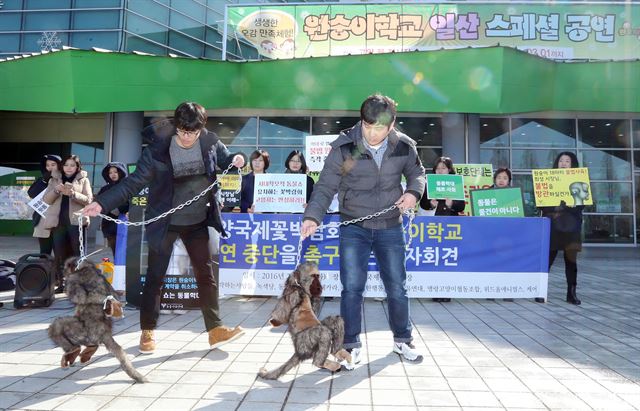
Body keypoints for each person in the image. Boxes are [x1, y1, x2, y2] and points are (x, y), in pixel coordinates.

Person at [82, 102, 247, 354]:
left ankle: (215, 330)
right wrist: (101, 203)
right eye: (183, 131)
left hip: (198, 220)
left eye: (193, 132)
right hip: (165, 221)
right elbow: (133, 183)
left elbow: (225, 160)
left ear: (201, 128)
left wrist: (237, 159)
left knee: (206, 275)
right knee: (156, 277)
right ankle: (147, 330)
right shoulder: (158, 150)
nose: (187, 137)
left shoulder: (210, 141)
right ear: (176, 126)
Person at [301, 94, 426, 367]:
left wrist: (413, 193)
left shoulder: (403, 146)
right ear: (362, 121)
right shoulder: (347, 148)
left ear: (391, 124)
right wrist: (313, 216)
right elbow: (326, 186)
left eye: (379, 128)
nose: (372, 133)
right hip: (354, 227)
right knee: (352, 288)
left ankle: (402, 340)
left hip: (390, 225)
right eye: (367, 126)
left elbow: (417, 173)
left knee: (396, 286)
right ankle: (350, 345)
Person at [539, 152, 584, 305]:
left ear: (572, 164)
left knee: (571, 262)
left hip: (572, 229)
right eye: (561, 161)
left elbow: (581, 205)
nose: (564, 163)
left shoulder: (580, 182)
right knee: (547, 260)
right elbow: (542, 205)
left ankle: (571, 293)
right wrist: (556, 207)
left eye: (567, 161)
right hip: (553, 227)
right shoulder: (547, 180)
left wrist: (565, 206)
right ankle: (540, 291)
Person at [42, 155, 92, 293]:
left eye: (72, 165)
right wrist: (56, 190)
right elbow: (46, 200)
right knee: (59, 254)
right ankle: (62, 284)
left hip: (76, 222)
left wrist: (73, 193)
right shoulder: (54, 179)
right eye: (66, 165)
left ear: (77, 167)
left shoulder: (83, 180)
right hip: (58, 223)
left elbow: (89, 200)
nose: (69, 168)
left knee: (78, 254)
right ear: (62, 167)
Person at [419, 156, 465, 303]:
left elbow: (461, 206)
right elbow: (423, 204)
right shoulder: (429, 183)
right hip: (434, 225)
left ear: (449, 170)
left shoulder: (455, 183)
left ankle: (448, 291)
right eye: (438, 168)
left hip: (451, 227)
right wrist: (431, 204)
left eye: (443, 168)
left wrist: (451, 204)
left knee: (449, 258)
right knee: (435, 257)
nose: (440, 171)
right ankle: (435, 290)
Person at [27, 154, 62, 255]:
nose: (50, 167)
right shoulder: (42, 179)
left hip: (58, 221)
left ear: (59, 165)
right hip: (42, 220)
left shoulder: (64, 179)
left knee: (59, 253)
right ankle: (44, 271)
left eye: (53, 164)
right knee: (44, 253)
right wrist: (44, 181)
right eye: (47, 165)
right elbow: (31, 193)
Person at [96, 162, 129, 258]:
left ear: (121, 172)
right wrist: (108, 208)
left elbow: (132, 203)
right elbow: (98, 204)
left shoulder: (128, 187)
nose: (113, 174)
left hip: (125, 224)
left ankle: (125, 272)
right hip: (109, 226)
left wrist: (120, 209)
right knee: (115, 252)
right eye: (110, 173)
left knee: (126, 252)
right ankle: (117, 272)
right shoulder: (104, 189)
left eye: (115, 172)